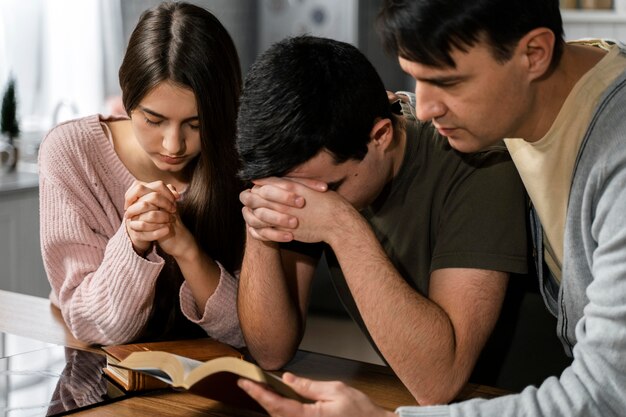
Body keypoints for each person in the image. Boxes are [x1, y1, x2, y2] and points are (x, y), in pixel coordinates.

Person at [237, 1, 626, 416]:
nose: (424, 108)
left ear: (535, 54)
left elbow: (603, 392)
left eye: (449, 82)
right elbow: (270, 349)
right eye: (417, 79)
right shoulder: (505, 112)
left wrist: (341, 225)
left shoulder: (606, 159)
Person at [236, 35, 530, 405]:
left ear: (380, 135)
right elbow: (270, 351)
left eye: (327, 187)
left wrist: (342, 227)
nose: (306, 203)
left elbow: (440, 383)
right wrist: (260, 219)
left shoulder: (477, 165)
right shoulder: (311, 173)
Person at [38, 2, 244, 347]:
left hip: (213, 370)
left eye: (196, 124)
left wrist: (189, 252)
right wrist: (132, 242)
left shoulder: (237, 162)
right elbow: (93, 327)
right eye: (153, 120)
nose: (173, 145)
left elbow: (245, 333)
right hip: (106, 371)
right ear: (126, 97)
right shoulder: (71, 152)